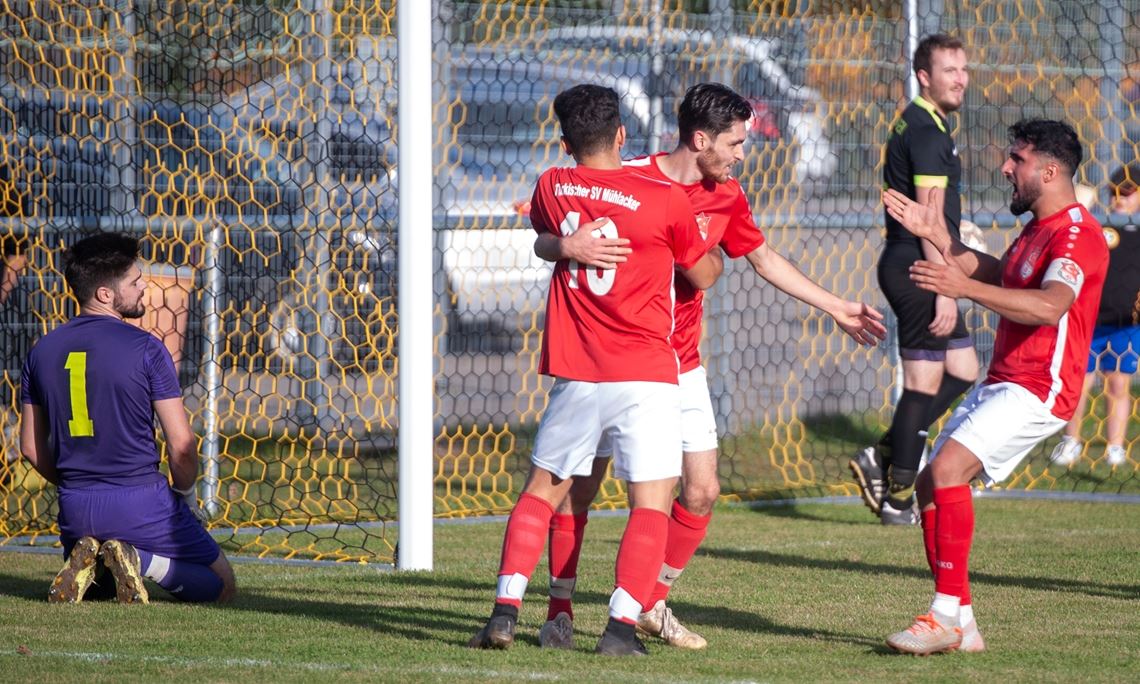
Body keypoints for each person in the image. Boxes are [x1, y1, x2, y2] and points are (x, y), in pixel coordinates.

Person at [530, 83, 886, 650]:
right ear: (701, 140)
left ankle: (649, 603)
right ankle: (560, 611)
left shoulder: (727, 196)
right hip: (612, 360)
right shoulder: (629, 176)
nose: (743, 153)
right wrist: (558, 243)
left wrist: (837, 305)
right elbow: (551, 231)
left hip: (681, 364)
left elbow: (764, 258)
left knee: (700, 491)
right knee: (580, 489)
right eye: (735, 142)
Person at [467, 84, 722, 656]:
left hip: (579, 372)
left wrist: (566, 246)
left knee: (541, 493)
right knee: (650, 502)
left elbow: (541, 240)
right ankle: (619, 630)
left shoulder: (553, 186)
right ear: (622, 135)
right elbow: (702, 274)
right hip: (648, 374)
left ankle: (505, 612)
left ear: (565, 142)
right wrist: (712, 249)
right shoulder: (664, 200)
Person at [881, 119, 1108, 655]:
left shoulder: (1077, 233)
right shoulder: (1036, 228)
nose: (1006, 167)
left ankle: (942, 617)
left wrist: (962, 288)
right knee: (929, 485)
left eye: (1018, 160)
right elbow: (997, 274)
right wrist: (938, 237)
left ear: (1049, 171)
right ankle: (964, 622)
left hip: (1040, 387)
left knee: (946, 469)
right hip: (1006, 380)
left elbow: (1052, 305)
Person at [20, 232, 236, 604]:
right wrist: (183, 496)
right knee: (222, 586)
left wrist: (76, 482)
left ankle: (96, 561)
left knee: (99, 590)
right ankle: (141, 559)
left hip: (75, 505)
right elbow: (182, 446)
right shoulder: (147, 348)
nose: (144, 287)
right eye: (135, 281)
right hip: (140, 499)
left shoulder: (41, 351)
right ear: (105, 294)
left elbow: (28, 447)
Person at [851, 33, 981, 526]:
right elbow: (928, 216)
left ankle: (884, 453)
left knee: (964, 369)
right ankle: (898, 498)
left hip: (914, 262)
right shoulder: (927, 131)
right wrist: (944, 281)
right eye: (950, 70)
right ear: (924, 76)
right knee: (923, 386)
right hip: (917, 266)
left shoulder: (924, 122)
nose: (961, 78)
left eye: (964, 69)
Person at [1050, 163, 1140, 468]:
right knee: (1078, 383)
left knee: (1118, 385)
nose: (1119, 199)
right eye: (1114, 192)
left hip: (1124, 325)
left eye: (1126, 193)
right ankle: (1070, 441)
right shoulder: (1100, 225)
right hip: (1088, 321)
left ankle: (1115, 447)